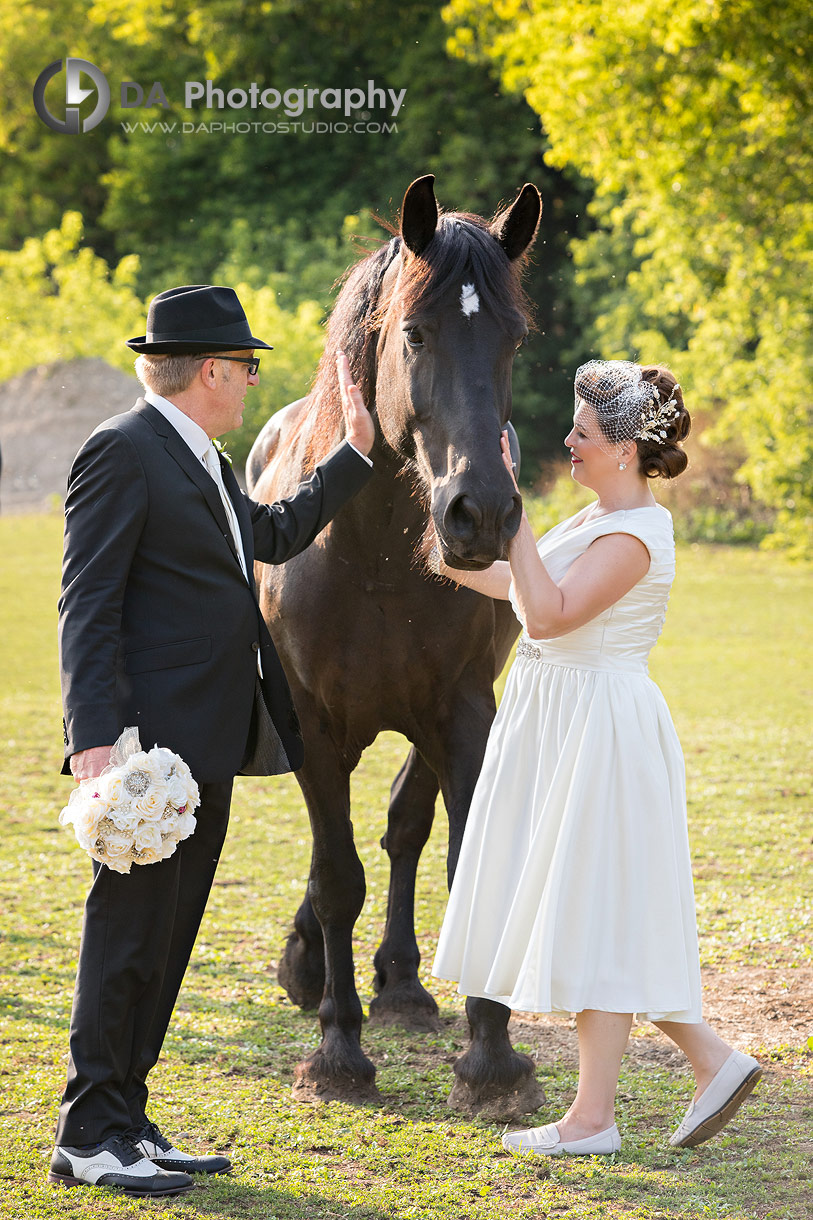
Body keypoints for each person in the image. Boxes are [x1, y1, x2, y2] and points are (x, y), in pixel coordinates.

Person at [51, 284, 375, 1196]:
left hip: (208, 745)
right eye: (245, 367)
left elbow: (270, 537)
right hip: (145, 751)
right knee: (126, 936)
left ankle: (125, 1116)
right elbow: (87, 603)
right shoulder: (122, 451)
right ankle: (87, 1132)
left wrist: (351, 456)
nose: (251, 380)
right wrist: (99, 744)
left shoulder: (203, 457)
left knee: (168, 938)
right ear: (206, 372)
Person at [431, 359, 761, 1157]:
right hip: (558, 718)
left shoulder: (638, 534)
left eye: (580, 433)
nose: (567, 443)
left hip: (599, 727)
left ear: (621, 450)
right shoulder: (590, 519)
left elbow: (545, 616)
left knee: (595, 910)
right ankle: (702, 1064)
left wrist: (510, 513)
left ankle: (596, 1117)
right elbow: (521, 583)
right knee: (591, 909)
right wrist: (459, 544)